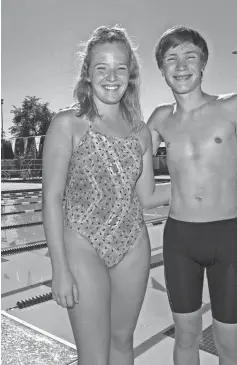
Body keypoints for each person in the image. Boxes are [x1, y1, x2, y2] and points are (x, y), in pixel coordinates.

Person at [42, 25, 169, 365]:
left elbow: (146, 196)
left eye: (120, 68)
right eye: (102, 68)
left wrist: (197, 186)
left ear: (132, 74)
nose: (112, 77)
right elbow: (52, 199)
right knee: (94, 356)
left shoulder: (141, 132)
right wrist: (59, 268)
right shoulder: (68, 124)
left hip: (133, 243)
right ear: (87, 74)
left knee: (123, 343)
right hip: (82, 243)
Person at [147, 26, 237, 365]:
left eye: (190, 56)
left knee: (229, 343)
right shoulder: (159, 119)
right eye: (171, 59)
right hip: (179, 239)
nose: (181, 65)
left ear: (203, 64)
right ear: (161, 70)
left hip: (226, 239)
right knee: (186, 338)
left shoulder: (233, 106)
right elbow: (138, 181)